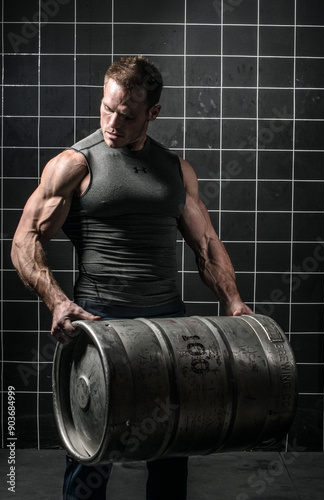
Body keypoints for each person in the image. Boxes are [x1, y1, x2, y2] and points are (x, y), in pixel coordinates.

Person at [11, 56, 253, 500]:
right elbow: (23, 241)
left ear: (152, 113)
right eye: (106, 108)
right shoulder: (76, 164)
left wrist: (233, 301)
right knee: (92, 455)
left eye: (127, 114)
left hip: (169, 327)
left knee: (170, 449)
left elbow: (207, 245)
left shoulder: (176, 170)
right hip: (102, 325)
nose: (112, 121)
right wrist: (56, 300)